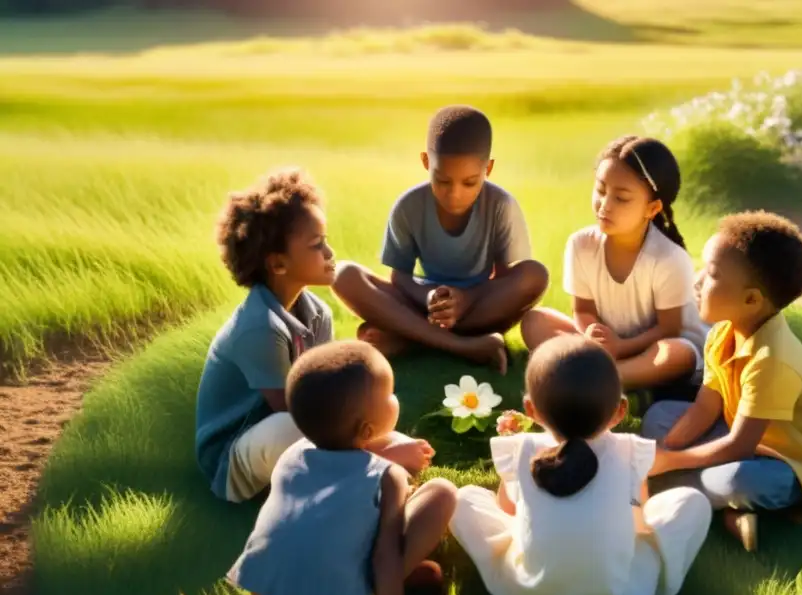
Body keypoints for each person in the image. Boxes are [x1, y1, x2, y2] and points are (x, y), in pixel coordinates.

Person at [194, 169, 432, 504]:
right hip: (240, 455)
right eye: (317, 245)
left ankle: (364, 462)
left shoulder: (317, 311)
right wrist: (380, 443)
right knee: (292, 427)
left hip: (304, 426)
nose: (330, 253)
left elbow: (330, 394)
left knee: (372, 404)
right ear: (278, 264)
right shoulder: (259, 328)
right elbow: (305, 413)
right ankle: (374, 468)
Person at [450, 335, 712, 595]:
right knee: (691, 502)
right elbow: (640, 523)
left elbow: (506, 511)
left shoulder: (520, 449)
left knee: (463, 498)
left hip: (530, 592)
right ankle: (655, 584)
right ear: (620, 411)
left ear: (530, 410)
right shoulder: (630, 451)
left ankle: (553, 554)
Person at [227, 340, 457, 595]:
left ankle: (357, 580)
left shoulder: (291, 456)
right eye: (390, 394)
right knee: (441, 494)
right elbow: (386, 557)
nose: (396, 398)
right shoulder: (388, 476)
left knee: (346, 518)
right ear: (366, 429)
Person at [642, 212, 802, 553]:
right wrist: (668, 449)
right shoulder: (723, 332)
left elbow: (739, 445)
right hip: (742, 436)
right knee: (661, 415)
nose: (698, 280)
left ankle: (667, 494)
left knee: (734, 479)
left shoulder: (772, 361)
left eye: (713, 274)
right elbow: (706, 407)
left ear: (751, 300)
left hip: (788, 466)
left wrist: (669, 463)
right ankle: (729, 511)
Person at [332, 105, 549, 376]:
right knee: (344, 275)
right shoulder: (409, 206)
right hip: (425, 302)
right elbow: (399, 277)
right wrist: (430, 297)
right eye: (442, 180)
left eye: (469, 182)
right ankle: (463, 346)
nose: (454, 194)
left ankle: (409, 336)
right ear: (426, 162)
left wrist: (466, 299)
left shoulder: (501, 206)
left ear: (488, 168)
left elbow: (505, 280)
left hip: (479, 307)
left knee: (534, 274)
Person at [520, 135, 708, 394]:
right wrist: (590, 337)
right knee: (534, 321)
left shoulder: (669, 258)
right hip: (607, 346)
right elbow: (583, 310)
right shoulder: (581, 244)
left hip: (655, 348)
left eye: (621, 198)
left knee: (677, 354)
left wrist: (621, 347)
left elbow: (668, 329)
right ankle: (603, 375)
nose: (605, 205)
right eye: (600, 190)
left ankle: (602, 379)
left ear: (652, 208)